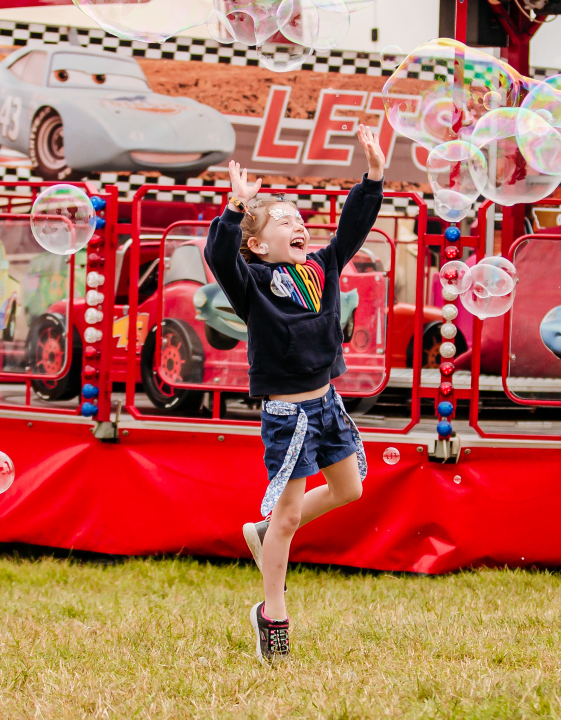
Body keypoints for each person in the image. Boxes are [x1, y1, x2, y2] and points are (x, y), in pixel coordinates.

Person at [204, 125, 385, 665]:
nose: (298, 224)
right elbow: (220, 254)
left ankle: (263, 531)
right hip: (289, 415)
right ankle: (273, 614)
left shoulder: (322, 269)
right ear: (258, 245)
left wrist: (373, 174)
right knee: (287, 518)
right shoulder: (252, 283)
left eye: (300, 220)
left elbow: (354, 225)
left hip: (327, 404)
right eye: (284, 221)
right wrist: (236, 206)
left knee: (349, 489)